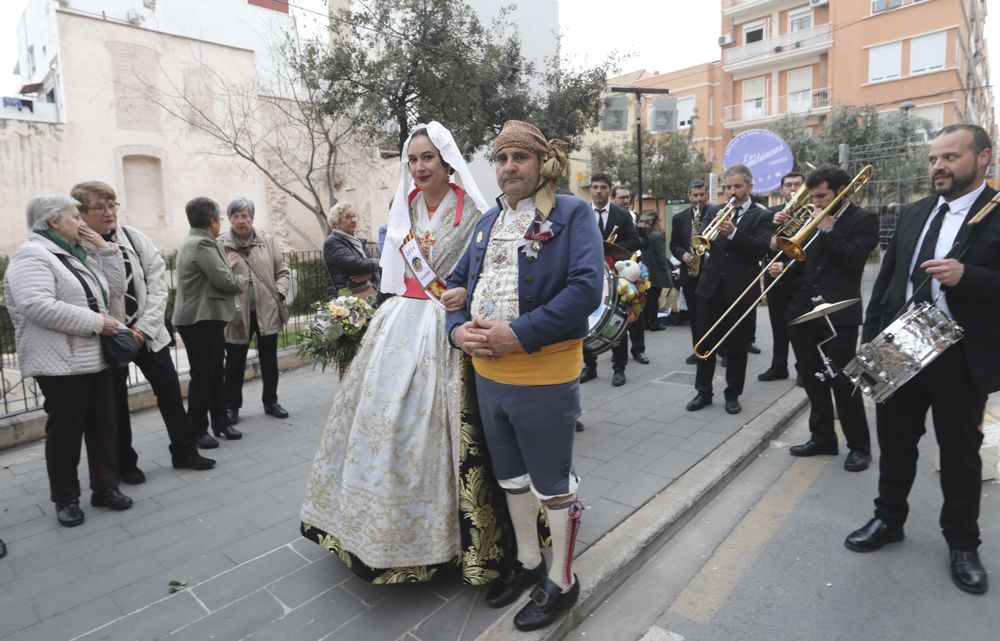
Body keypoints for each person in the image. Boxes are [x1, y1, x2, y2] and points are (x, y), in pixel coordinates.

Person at [301, 122, 516, 586]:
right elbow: (396, 271)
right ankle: (372, 529)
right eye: (412, 160)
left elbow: (485, 274)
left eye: (427, 158)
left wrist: (463, 293)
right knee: (382, 425)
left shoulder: (474, 210)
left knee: (448, 430)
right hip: (401, 322)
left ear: (446, 162)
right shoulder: (407, 205)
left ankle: (458, 540)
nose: (418, 167)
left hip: (447, 328)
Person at [447, 120, 603, 632]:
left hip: (543, 373)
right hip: (488, 375)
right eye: (501, 158)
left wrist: (518, 333)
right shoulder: (489, 220)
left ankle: (562, 580)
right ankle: (528, 563)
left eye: (519, 157)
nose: (509, 167)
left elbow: (585, 290)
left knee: (552, 484)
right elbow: (457, 286)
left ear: (540, 163)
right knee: (511, 478)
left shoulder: (574, 212)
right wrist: (455, 331)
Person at [846, 124, 999, 595]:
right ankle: (888, 519)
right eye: (934, 158)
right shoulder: (913, 214)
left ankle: (962, 543)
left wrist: (965, 276)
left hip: (960, 352)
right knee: (894, 443)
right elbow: (886, 285)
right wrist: (870, 342)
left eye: (951, 157)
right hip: (901, 344)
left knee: (958, 453)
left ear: (983, 159)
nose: (939, 166)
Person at [72, 181, 216, 479]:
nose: (109, 212)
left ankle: (185, 451)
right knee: (115, 404)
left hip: (148, 334)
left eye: (112, 205)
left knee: (170, 392)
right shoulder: (77, 249)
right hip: (109, 339)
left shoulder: (134, 239)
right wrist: (119, 332)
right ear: (81, 213)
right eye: (100, 207)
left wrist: (144, 329)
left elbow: (157, 285)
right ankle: (126, 463)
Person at [4, 195, 132, 527]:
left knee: (104, 426)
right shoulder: (32, 255)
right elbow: (36, 304)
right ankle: (66, 498)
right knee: (66, 432)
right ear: (53, 223)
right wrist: (97, 323)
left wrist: (105, 250)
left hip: (94, 356)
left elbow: (115, 290)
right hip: (62, 362)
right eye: (76, 217)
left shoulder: (75, 254)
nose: (83, 222)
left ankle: (105, 487)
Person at [784, 166, 877, 471]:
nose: (817, 202)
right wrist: (783, 267)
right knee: (813, 379)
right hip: (804, 312)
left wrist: (828, 228)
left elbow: (853, 260)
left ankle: (859, 447)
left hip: (840, 312)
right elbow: (805, 263)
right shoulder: (813, 219)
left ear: (842, 190)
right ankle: (822, 437)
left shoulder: (863, 220)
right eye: (814, 197)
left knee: (843, 381)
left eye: (822, 196)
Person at [686, 165, 771, 415]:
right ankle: (703, 391)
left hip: (740, 289)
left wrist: (734, 233)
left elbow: (761, 248)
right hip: (710, 287)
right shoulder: (716, 210)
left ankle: (732, 394)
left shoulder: (761, 215)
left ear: (749, 187)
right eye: (729, 187)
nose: (732, 192)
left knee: (737, 345)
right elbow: (702, 239)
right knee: (704, 343)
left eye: (738, 187)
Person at [172, 197, 246, 446]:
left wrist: (226, 268)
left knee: (215, 373)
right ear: (213, 221)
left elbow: (217, 271)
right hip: (199, 319)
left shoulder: (198, 241)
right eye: (220, 219)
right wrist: (241, 282)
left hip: (207, 318)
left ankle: (220, 423)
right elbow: (223, 279)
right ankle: (197, 429)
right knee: (203, 376)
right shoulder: (201, 243)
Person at [219, 198, 292, 425]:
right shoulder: (220, 244)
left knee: (269, 360)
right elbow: (214, 279)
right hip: (236, 314)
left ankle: (271, 402)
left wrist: (279, 294)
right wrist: (226, 269)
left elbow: (283, 271)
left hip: (266, 310)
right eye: (236, 216)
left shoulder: (266, 241)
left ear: (251, 217)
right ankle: (231, 407)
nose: (241, 221)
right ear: (229, 219)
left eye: (245, 216)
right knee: (234, 363)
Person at [580, 173, 642, 387]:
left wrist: (611, 246)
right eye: (595, 187)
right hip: (586, 272)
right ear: (591, 190)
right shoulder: (582, 212)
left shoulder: (621, 214)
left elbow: (635, 240)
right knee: (586, 321)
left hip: (614, 272)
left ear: (609, 191)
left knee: (617, 316)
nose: (598, 191)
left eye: (603, 187)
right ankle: (590, 365)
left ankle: (619, 368)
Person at [758, 172, 805, 382]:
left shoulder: (811, 212)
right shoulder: (770, 213)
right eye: (788, 185)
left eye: (797, 185)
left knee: (801, 325)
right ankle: (779, 367)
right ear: (781, 189)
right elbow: (759, 243)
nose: (793, 189)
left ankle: (803, 369)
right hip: (774, 273)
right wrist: (771, 228)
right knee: (778, 323)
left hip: (801, 275)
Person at [671, 180, 710, 364]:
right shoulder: (679, 218)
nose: (698, 199)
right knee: (694, 315)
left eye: (702, 194)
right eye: (695, 195)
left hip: (711, 272)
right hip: (690, 272)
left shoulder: (715, 212)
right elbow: (674, 245)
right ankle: (699, 350)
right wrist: (683, 254)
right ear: (689, 196)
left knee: (715, 313)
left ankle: (723, 351)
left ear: (707, 194)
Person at [323, 202, 379, 298]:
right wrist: (379, 262)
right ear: (337, 222)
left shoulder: (356, 241)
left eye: (354, 216)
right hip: (348, 298)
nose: (353, 220)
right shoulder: (332, 242)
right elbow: (356, 264)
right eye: (348, 217)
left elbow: (368, 265)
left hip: (367, 292)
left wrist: (371, 275)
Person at [643, 212, 671, 331]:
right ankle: (653, 323)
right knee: (654, 298)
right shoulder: (656, 236)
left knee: (645, 298)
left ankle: (645, 323)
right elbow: (660, 257)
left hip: (644, 272)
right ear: (655, 221)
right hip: (655, 272)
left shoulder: (642, 235)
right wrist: (666, 271)